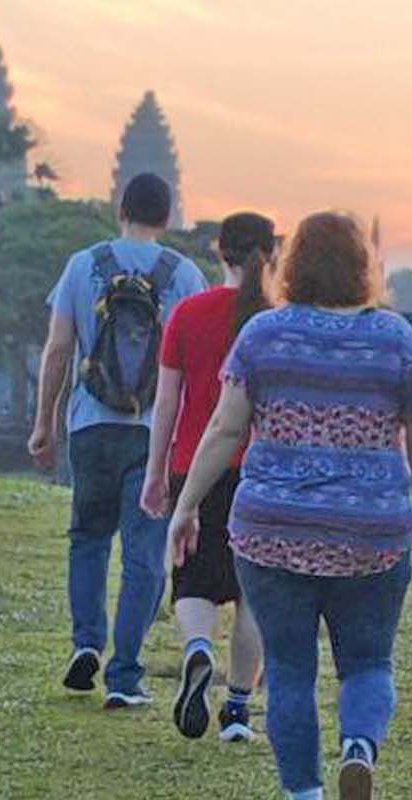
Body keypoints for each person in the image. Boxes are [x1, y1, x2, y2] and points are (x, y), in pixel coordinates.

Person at [169, 211, 412, 800]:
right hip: (372, 533)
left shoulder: (262, 336)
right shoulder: (397, 340)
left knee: (293, 671)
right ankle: (358, 748)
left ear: (291, 265)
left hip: (274, 529)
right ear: (364, 268)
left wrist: (187, 505)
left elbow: (224, 430)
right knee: (367, 662)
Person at [29, 173, 208, 709]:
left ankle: (86, 643)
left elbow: (58, 350)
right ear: (168, 216)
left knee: (87, 537)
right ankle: (124, 675)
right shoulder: (185, 275)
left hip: (90, 425)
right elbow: (197, 367)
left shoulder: (83, 266)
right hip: (154, 432)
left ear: (120, 208)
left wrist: (45, 421)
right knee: (143, 555)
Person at [139, 211, 276, 742]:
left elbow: (166, 401)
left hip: (194, 465)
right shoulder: (277, 322)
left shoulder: (188, 315)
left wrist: (157, 475)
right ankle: (238, 710)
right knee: (252, 592)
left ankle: (198, 649)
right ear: (272, 253)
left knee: (192, 578)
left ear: (220, 251)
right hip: (262, 473)